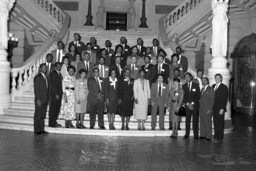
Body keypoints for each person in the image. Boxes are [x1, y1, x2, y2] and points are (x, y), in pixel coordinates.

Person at [182, 72, 200, 139]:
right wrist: (187, 104)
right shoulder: (184, 86)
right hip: (187, 106)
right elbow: (183, 96)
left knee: (195, 120)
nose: (186, 78)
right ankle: (187, 134)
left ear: (191, 77)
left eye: (188, 77)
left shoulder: (196, 85)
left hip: (194, 106)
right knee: (187, 121)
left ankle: (196, 135)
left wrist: (192, 103)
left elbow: (198, 96)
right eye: (185, 77)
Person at [212, 73, 228, 143]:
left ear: (221, 79)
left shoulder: (224, 87)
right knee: (215, 122)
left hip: (220, 108)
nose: (217, 79)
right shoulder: (213, 86)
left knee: (220, 123)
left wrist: (222, 108)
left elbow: (225, 99)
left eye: (218, 78)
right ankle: (216, 135)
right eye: (216, 78)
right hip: (214, 108)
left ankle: (220, 137)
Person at [33, 63, 49, 135]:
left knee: (42, 115)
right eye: (43, 67)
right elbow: (36, 90)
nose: (45, 69)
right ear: (40, 69)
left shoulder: (46, 77)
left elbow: (47, 89)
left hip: (45, 99)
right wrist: (38, 99)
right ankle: (37, 130)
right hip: (39, 100)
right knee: (38, 115)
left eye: (45, 68)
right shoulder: (38, 77)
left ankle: (42, 129)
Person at [199, 77, 215, 141]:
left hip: (207, 109)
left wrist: (210, 108)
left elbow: (212, 100)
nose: (203, 82)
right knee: (202, 122)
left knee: (208, 123)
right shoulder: (202, 89)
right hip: (201, 109)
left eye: (205, 81)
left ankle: (208, 136)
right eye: (203, 81)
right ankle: (202, 135)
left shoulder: (210, 89)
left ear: (208, 81)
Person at [48, 62, 63, 128]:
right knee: (53, 108)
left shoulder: (59, 74)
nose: (59, 67)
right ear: (55, 67)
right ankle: (51, 123)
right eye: (58, 66)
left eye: (60, 66)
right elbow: (53, 85)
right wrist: (56, 94)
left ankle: (54, 121)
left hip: (59, 94)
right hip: (55, 94)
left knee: (57, 108)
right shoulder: (53, 74)